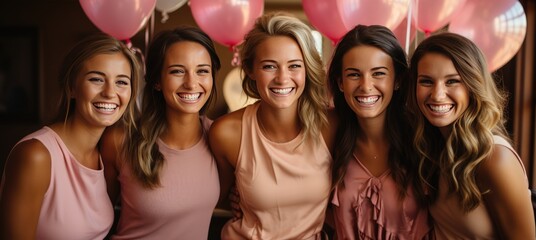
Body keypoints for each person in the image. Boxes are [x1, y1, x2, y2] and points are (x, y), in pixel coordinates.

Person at [0, 34, 141, 239]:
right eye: (96, 79)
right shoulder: (36, 155)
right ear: (72, 87)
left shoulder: (108, 152)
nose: (110, 92)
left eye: (121, 82)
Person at [209, 12, 336, 239]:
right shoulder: (227, 133)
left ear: (308, 69)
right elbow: (216, 198)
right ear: (250, 70)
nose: (282, 78)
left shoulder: (331, 125)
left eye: (294, 66)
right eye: (269, 66)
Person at [407, 32, 536, 239]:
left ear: (473, 86)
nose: (437, 94)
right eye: (426, 81)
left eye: (452, 81)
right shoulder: (434, 147)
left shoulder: (494, 157)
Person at [100, 26, 221, 239]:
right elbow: (96, 221)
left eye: (202, 70)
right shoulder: (120, 141)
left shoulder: (221, 139)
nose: (191, 83)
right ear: (157, 80)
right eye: (177, 71)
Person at [327, 24, 431, 239]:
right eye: (354, 75)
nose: (366, 86)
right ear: (340, 83)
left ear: (398, 81)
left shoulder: (423, 138)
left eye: (379, 73)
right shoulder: (328, 133)